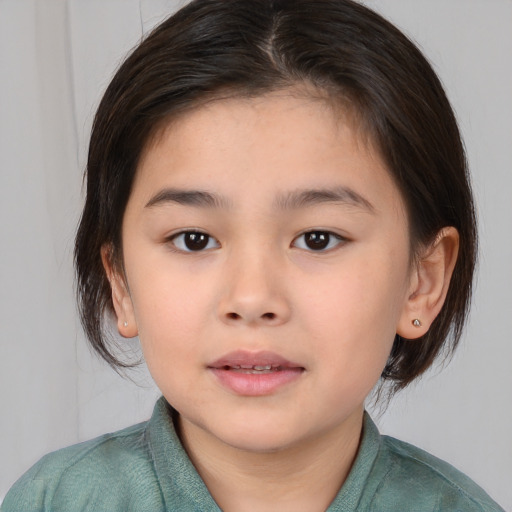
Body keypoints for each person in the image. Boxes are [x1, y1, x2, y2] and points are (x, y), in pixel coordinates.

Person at [1, 0, 505, 510]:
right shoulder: (53, 500)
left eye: (318, 239)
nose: (252, 298)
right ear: (122, 282)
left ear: (422, 280)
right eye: (194, 239)